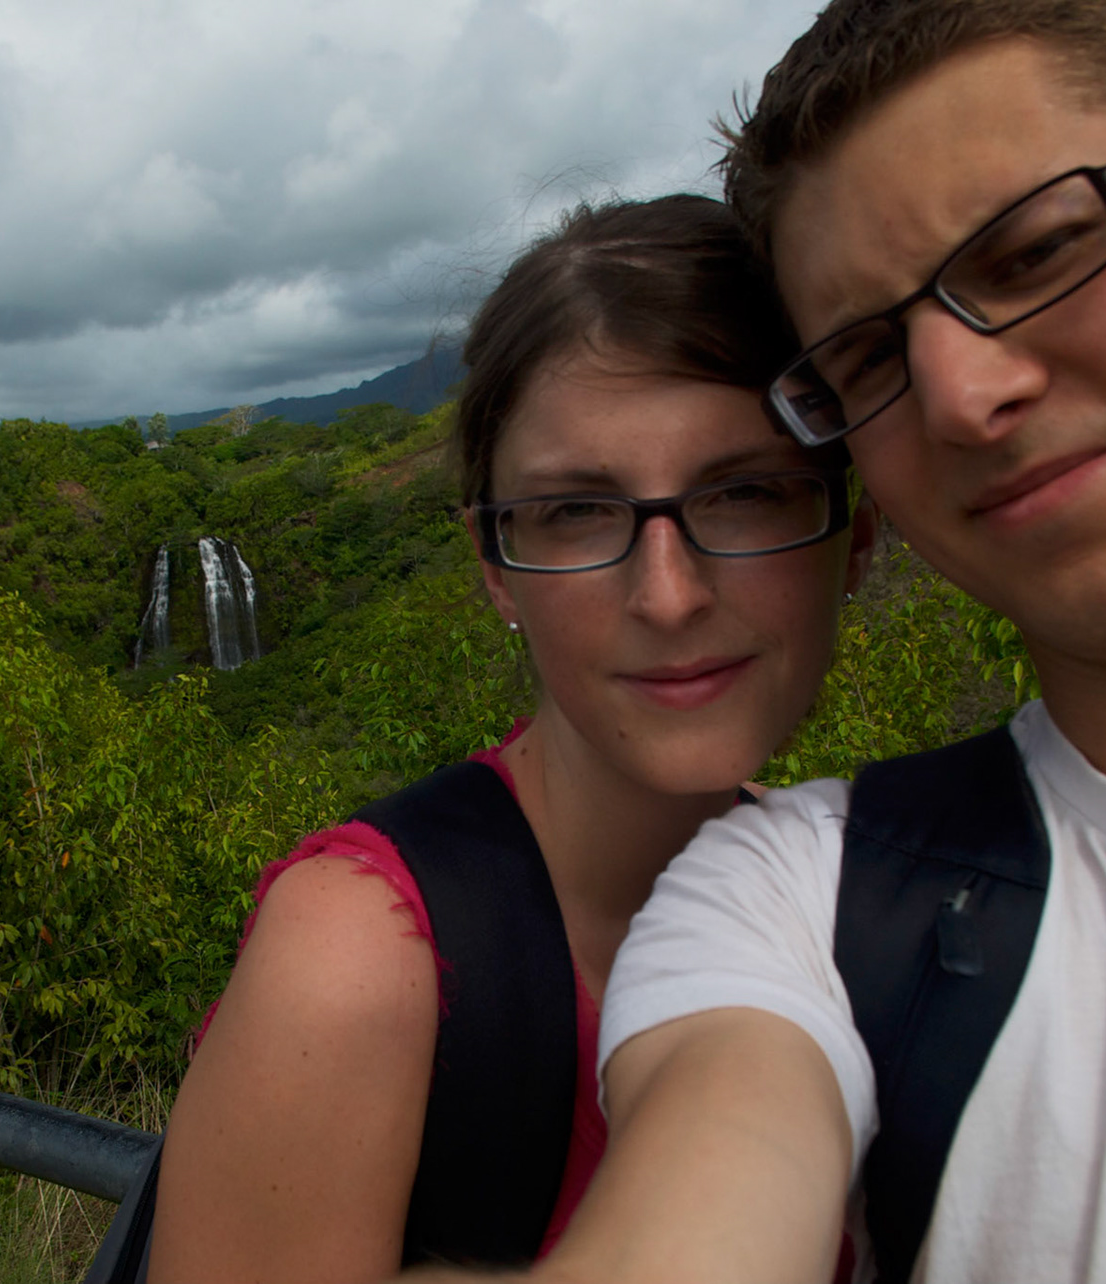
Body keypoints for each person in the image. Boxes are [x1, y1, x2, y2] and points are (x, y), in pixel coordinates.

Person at [434, 2, 1106, 1282]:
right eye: (869, 355)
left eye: (1040, 251)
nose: (964, 395)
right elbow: (716, 1166)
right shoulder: (805, 903)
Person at [147, 194, 876, 1283]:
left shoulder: (876, 907)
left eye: (747, 493)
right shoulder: (361, 962)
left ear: (854, 534)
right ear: (493, 566)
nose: (668, 596)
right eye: (577, 512)